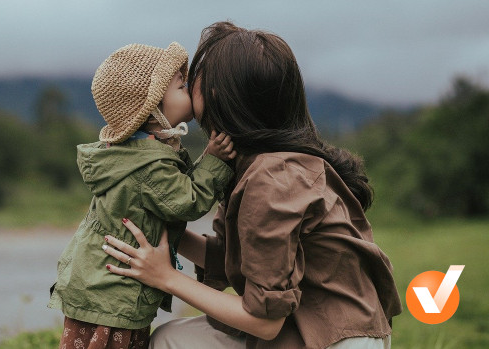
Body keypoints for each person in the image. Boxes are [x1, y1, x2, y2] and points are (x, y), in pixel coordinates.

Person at [101, 22, 403, 349]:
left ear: (220, 94)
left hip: (334, 338)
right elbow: (242, 259)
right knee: (171, 338)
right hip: (314, 324)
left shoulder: (274, 177)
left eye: (195, 80)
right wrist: (165, 227)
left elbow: (265, 320)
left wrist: (167, 277)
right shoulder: (257, 163)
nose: (187, 88)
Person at [48, 42, 237, 349]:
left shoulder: (134, 153)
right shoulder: (148, 165)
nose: (189, 91)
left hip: (100, 287)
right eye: (181, 86)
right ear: (153, 111)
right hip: (112, 297)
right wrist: (214, 160)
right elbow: (188, 201)